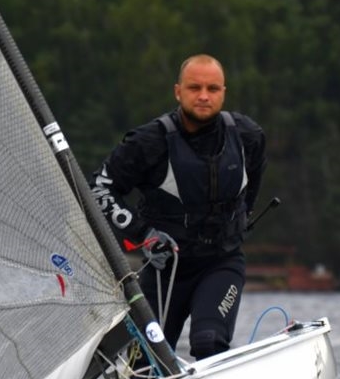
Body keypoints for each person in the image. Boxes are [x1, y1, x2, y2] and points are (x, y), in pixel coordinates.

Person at [92, 54, 266, 360]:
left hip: (222, 263)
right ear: (178, 91)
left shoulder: (248, 136)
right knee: (143, 367)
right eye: (194, 88)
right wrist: (144, 235)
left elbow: (250, 187)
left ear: (223, 92)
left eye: (212, 89)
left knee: (208, 341)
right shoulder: (148, 142)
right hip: (165, 271)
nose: (203, 96)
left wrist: (238, 222)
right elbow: (100, 189)